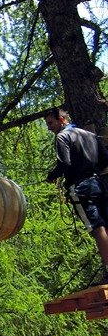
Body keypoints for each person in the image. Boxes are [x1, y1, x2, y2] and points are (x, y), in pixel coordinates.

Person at [44, 107, 108, 285]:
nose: (49, 128)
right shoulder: (89, 135)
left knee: (97, 227)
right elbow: (104, 160)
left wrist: (52, 176)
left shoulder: (62, 136)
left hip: (80, 187)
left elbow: (64, 162)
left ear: (62, 119)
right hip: (97, 184)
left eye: (51, 123)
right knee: (105, 223)